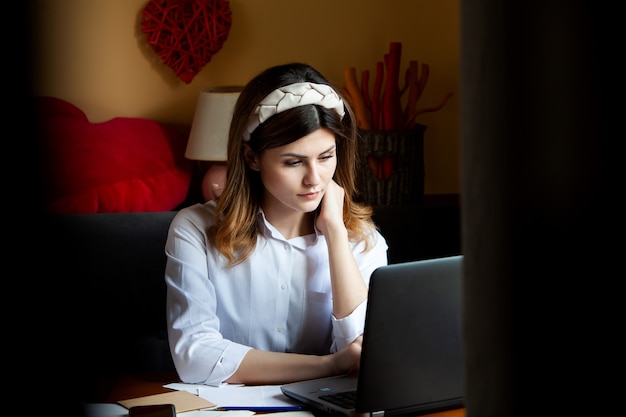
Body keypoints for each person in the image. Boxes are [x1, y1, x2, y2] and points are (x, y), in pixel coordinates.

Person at [165, 62, 389, 387]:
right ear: (252, 158)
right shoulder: (194, 229)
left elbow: (363, 353)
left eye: (326, 157)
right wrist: (329, 365)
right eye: (293, 162)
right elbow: (195, 356)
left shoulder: (363, 240)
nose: (315, 179)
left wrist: (337, 236)